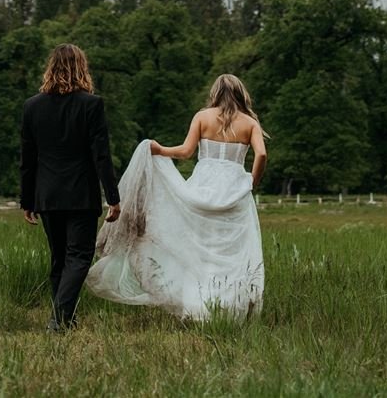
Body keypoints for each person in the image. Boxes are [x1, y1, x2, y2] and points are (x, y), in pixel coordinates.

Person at [85, 73, 266, 321]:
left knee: (199, 248)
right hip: (235, 191)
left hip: (203, 186)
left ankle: (198, 304)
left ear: (215, 93)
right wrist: (251, 182)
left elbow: (185, 152)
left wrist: (159, 150)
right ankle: (229, 308)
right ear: (240, 94)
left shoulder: (202, 117)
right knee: (232, 251)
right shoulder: (250, 123)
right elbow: (262, 155)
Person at [18, 43, 121, 331]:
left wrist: (27, 200)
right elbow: (101, 155)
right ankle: (59, 320)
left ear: (51, 67)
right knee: (78, 257)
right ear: (81, 68)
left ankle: (65, 319)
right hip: (80, 195)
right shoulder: (91, 105)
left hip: (47, 194)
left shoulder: (32, 107)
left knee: (60, 258)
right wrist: (113, 197)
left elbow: (28, 160)